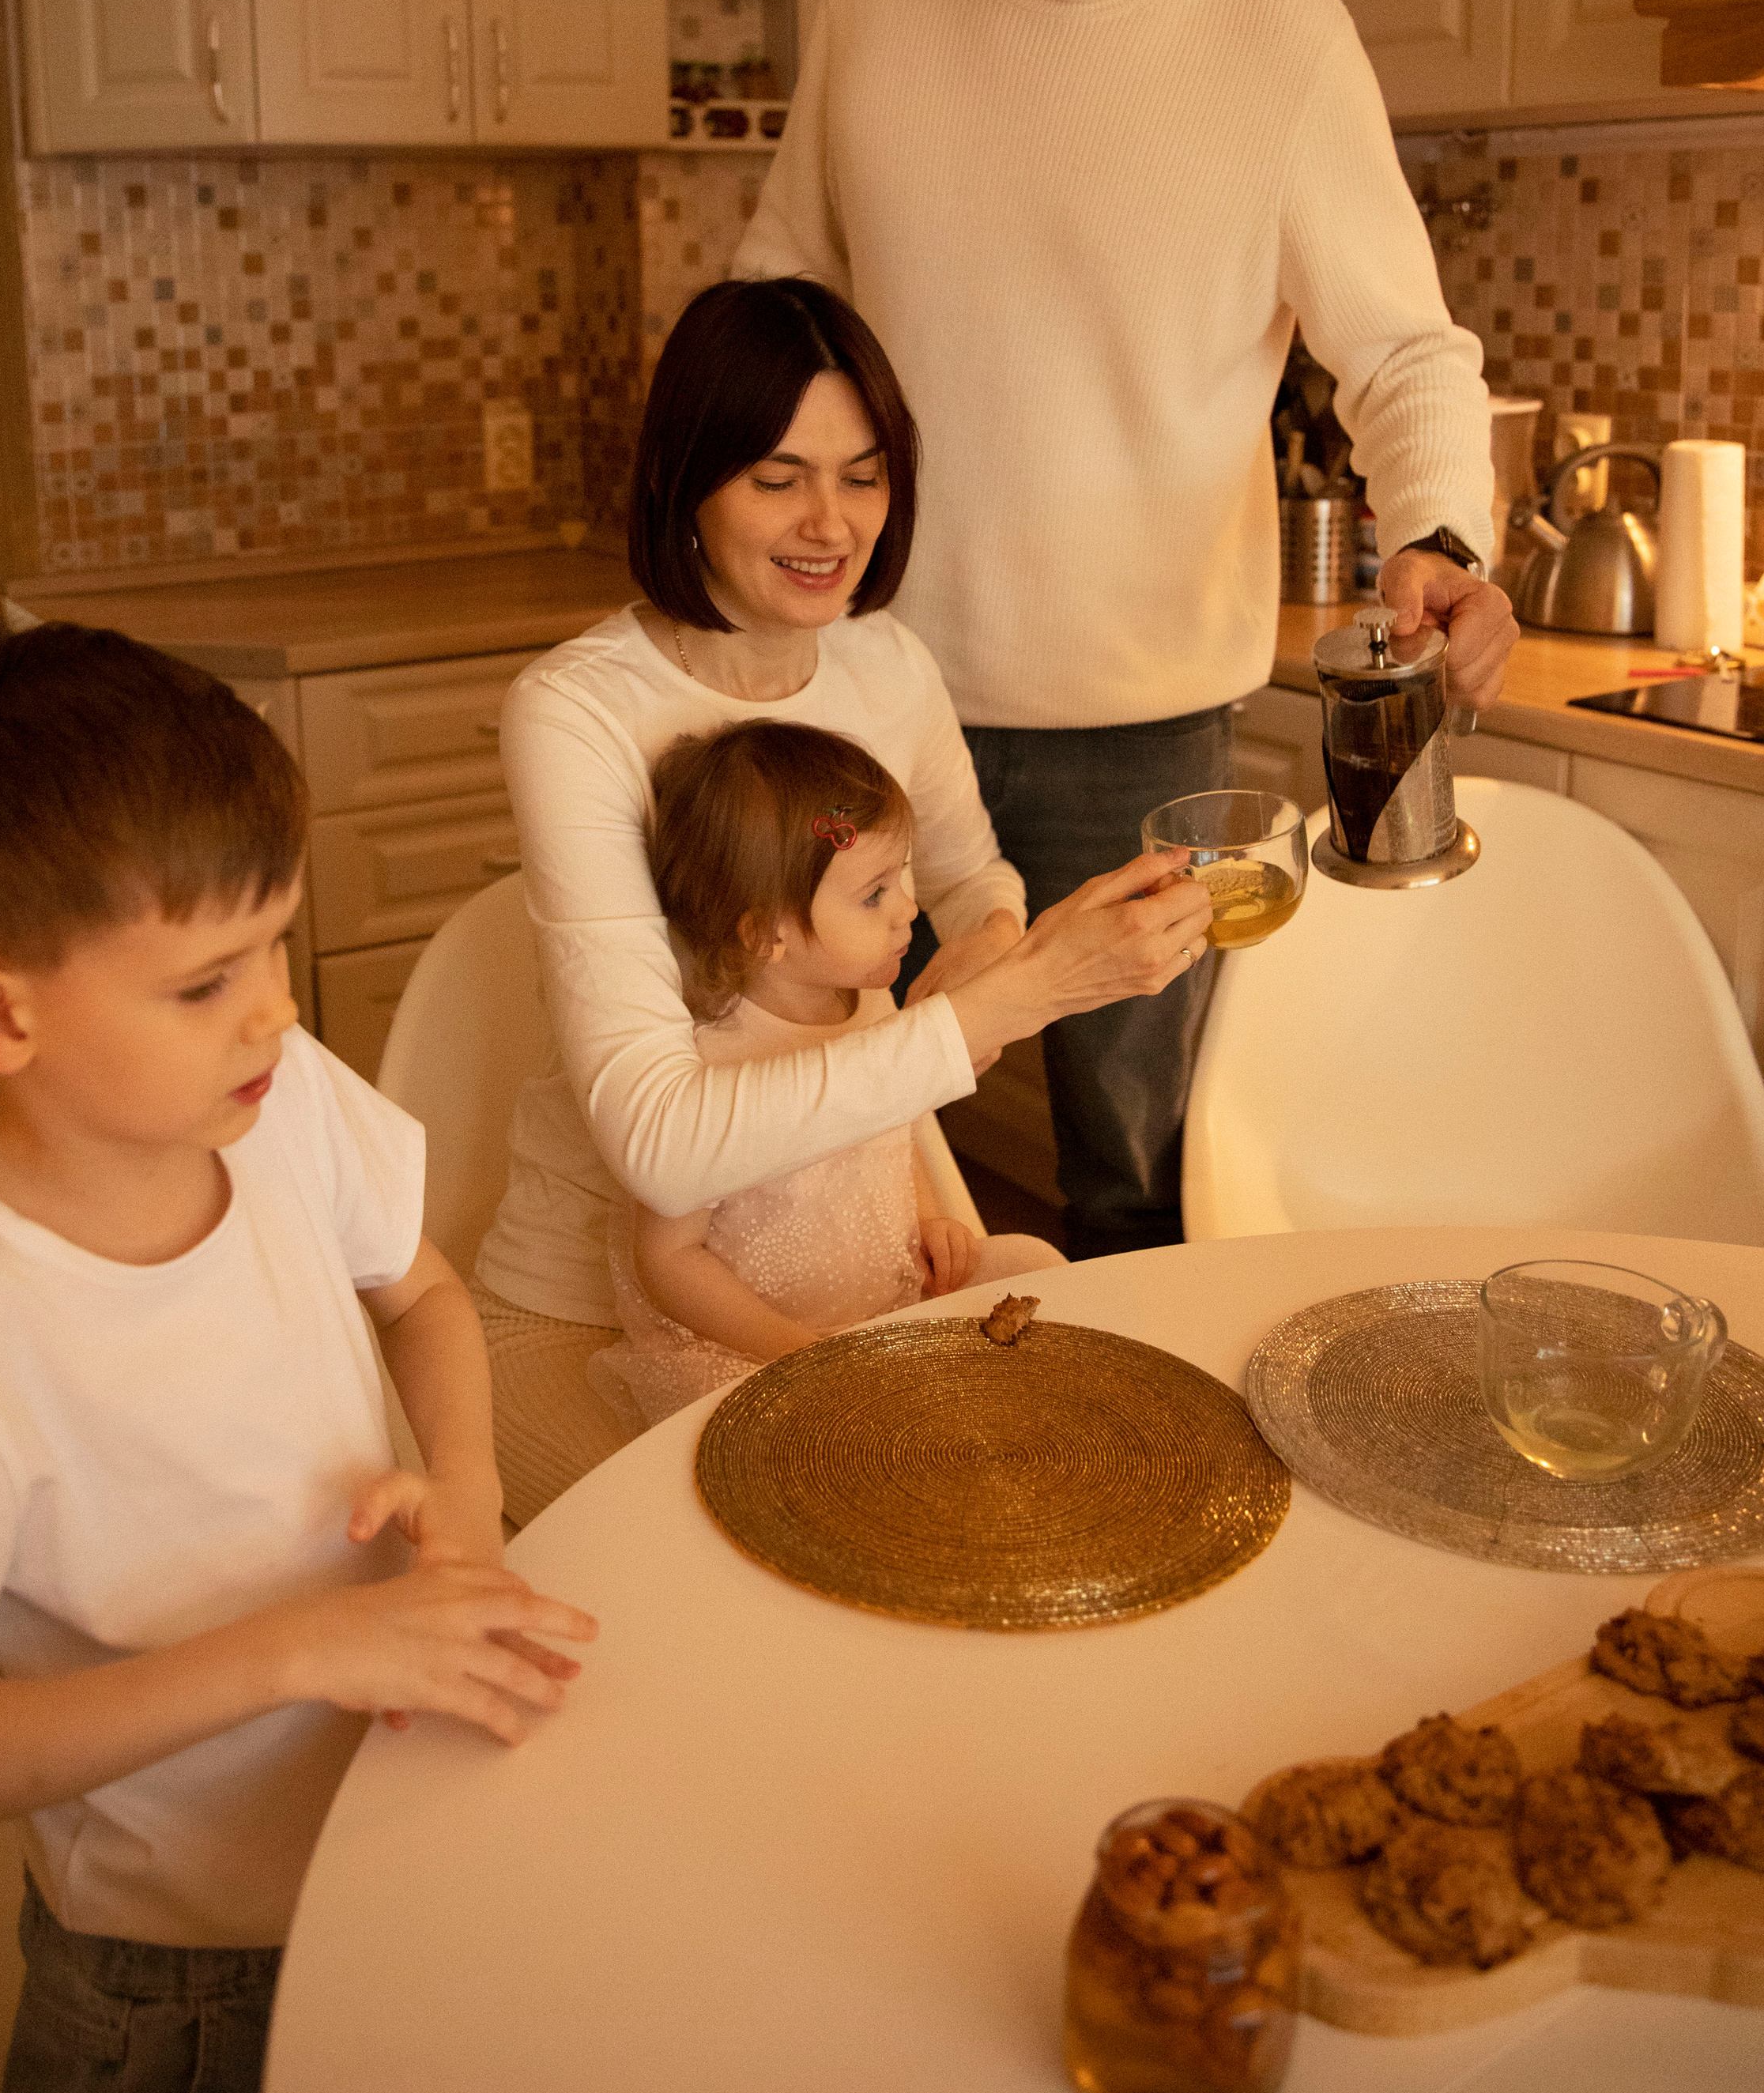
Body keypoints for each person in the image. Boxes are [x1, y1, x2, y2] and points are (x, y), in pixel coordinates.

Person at [736, 0, 1517, 1258]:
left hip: (1137, 722)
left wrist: (1441, 539)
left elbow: (1403, 352)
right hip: (869, 680)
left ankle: (1124, 1501)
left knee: (1139, 1172)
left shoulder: (1274, 30)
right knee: (832, 1150)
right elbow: (781, 279)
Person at [0, 623, 595, 2093]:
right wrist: (299, 1653)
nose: (277, 1012)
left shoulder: (273, 1105)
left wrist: (469, 1499)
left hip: (381, 1832)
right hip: (172, 1991)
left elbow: (421, 1291)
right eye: (205, 980)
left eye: (277, 947)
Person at [468, 273, 1211, 1521]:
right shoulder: (580, 713)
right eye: (777, 477)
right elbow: (657, 1143)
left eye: (863, 475)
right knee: (773, 1554)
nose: (831, 522)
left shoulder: (884, 664)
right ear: (685, 481)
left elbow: (977, 876)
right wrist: (996, 1010)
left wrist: (978, 948)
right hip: (597, 1314)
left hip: (850, 1270)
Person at [593, 720, 1064, 1426]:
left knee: (1037, 1265)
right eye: (873, 894)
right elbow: (668, 1261)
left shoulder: (870, 998)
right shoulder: (708, 1062)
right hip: (753, 1346)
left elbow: (894, 1134)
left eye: (900, 876)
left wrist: (935, 1219)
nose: (909, 908)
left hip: (887, 1299)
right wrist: (799, 1355)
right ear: (764, 934)